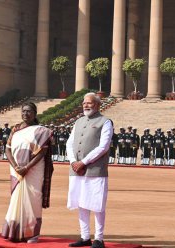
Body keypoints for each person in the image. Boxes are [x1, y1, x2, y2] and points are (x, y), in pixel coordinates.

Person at [2, 102, 53, 243]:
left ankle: (32, 234)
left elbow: (42, 152)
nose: (26, 114)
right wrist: (16, 166)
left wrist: (27, 167)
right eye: (23, 111)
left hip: (34, 171)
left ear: (35, 113)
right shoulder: (15, 129)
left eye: (29, 111)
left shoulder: (41, 131)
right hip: (16, 171)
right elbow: (7, 149)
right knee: (16, 199)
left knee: (33, 199)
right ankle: (15, 232)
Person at [66, 92, 113, 248]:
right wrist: (73, 161)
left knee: (97, 204)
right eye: (84, 103)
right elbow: (69, 143)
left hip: (95, 169)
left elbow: (103, 146)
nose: (86, 105)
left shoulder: (105, 122)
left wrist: (84, 162)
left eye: (90, 103)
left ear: (98, 105)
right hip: (76, 169)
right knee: (82, 203)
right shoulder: (78, 122)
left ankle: (99, 238)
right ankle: (85, 237)